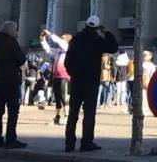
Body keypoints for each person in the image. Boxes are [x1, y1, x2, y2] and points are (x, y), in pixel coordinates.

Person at [63, 16, 119, 152]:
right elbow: (113, 47)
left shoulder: (75, 39)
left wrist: (72, 73)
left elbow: (67, 62)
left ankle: (69, 143)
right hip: (91, 82)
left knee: (73, 114)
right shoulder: (97, 40)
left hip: (76, 81)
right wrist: (107, 33)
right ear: (97, 27)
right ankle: (86, 142)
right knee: (89, 114)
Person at [0, 21, 27, 150]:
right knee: (12, 111)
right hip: (10, 80)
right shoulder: (10, 43)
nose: (16, 33)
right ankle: (11, 139)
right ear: (10, 31)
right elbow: (21, 59)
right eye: (15, 30)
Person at [40, 30, 70, 125]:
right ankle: (57, 116)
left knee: (63, 96)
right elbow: (48, 50)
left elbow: (59, 42)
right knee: (57, 97)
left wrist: (50, 34)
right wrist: (43, 40)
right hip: (56, 76)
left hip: (64, 76)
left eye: (63, 38)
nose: (61, 39)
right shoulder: (59, 52)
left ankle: (67, 116)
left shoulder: (68, 49)